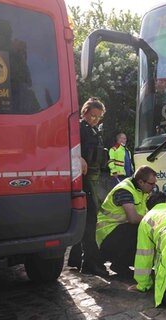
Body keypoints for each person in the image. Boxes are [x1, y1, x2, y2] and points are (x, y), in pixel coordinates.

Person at [68, 97, 109, 277]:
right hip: (83, 179)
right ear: (85, 112)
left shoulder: (93, 130)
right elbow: (65, 143)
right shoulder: (78, 128)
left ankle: (76, 259)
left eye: (98, 117)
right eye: (92, 115)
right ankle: (90, 263)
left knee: (87, 219)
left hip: (93, 178)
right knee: (90, 220)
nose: (95, 119)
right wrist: (78, 157)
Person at [96, 165, 157, 278]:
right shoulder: (125, 191)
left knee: (144, 230)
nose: (154, 187)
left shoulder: (140, 189)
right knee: (138, 229)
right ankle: (120, 264)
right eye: (151, 184)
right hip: (106, 234)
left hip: (117, 233)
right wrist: (154, 222)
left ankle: (125, 263)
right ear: (141, 182)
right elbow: (133, 218)